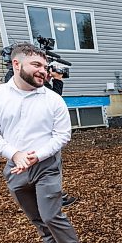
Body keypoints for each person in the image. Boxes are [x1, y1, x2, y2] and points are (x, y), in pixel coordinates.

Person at [0, 42, 88, 243]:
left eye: (45, 66)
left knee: (50, 214)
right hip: (14, 167)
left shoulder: (53, 99)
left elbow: (62, 135)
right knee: (36, 217)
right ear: (16, 64)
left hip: (46, 165)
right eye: (36, 64)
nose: (43, 71)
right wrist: (14, 155)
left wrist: (37, 155)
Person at [43, 69, 77, 208]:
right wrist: (58, 80)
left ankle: (50, 196)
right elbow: (54, 99)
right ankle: (55, 198)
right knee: (50, 167)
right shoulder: (38, 89)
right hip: (45, 138)